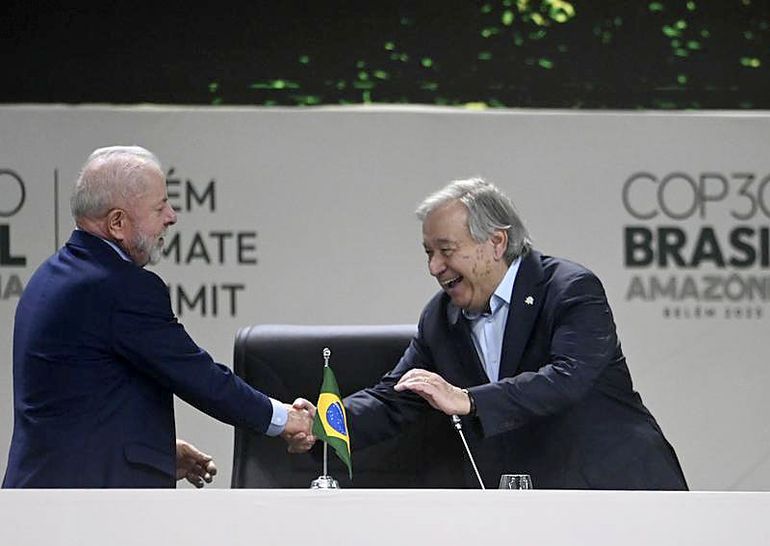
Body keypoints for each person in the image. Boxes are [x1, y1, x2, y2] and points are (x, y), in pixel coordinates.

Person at [291, 177, 687, 490]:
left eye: (446, 250)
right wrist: (326, 424)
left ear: (496, 242)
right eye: (428, 252)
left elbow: (567, 380)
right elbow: (397, 398)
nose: (434, 267)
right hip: (524, 507)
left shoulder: (569, 289)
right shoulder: (441, 317)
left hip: (617, 495)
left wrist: (468, 400)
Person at [3, 145, 315, 488]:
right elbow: (197, 376)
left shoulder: (49, 276)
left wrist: (154, 452)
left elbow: (79, 402)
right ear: (118, 223)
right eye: (160, 206)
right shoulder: (120, 287)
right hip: (87, 512)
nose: (172, 216)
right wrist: (285, 419)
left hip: (44, 500)